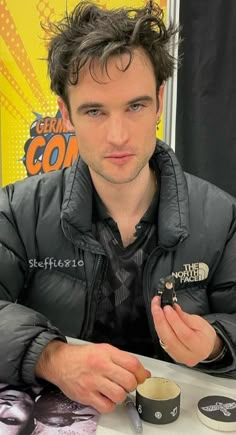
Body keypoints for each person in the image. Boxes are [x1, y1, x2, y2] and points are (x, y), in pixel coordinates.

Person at [0, 0, 236, 415]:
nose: (118, 136)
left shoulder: (223, 218)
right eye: (94, 111)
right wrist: (50, 357)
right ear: (66, 113)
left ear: (159, 102)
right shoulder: (18, 211)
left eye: (136, 106)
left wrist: (217, 344)